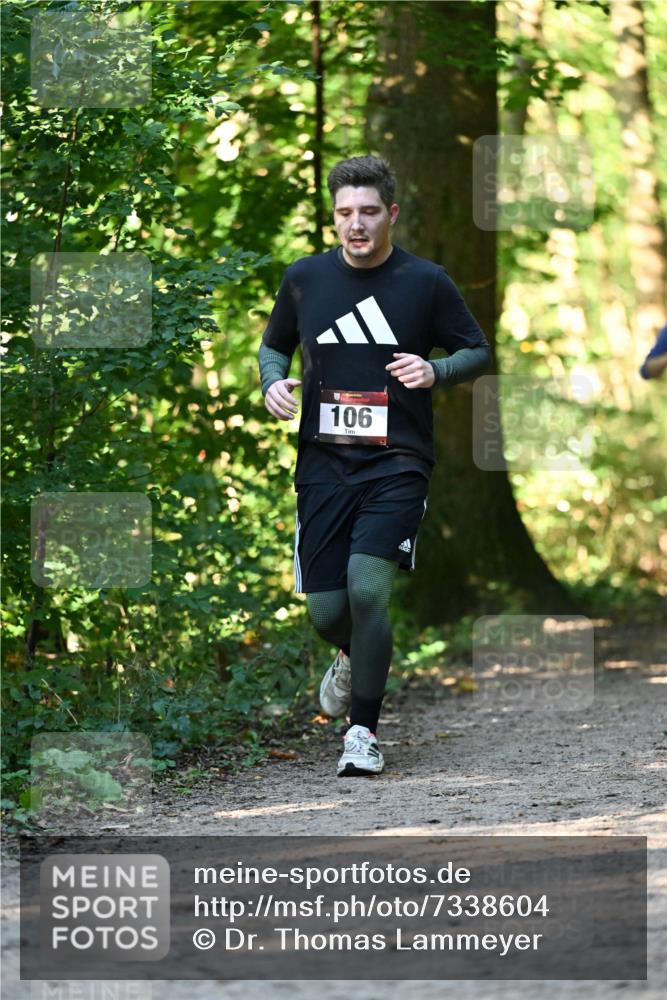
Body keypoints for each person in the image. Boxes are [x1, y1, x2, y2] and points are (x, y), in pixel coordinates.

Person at [258, 155, 491, 777]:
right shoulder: (305, 278)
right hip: (322, 463)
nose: (355, 225)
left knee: (367, 588)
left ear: (391, 213)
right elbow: (273, 344)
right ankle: (350, 655)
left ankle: (361, 733)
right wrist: (272, 383)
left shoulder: (425, 281)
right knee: (327, 610)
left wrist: (434, 369)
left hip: (398, 461)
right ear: (333, 217)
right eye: (343, 214)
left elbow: (477, 349)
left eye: (367, 213)